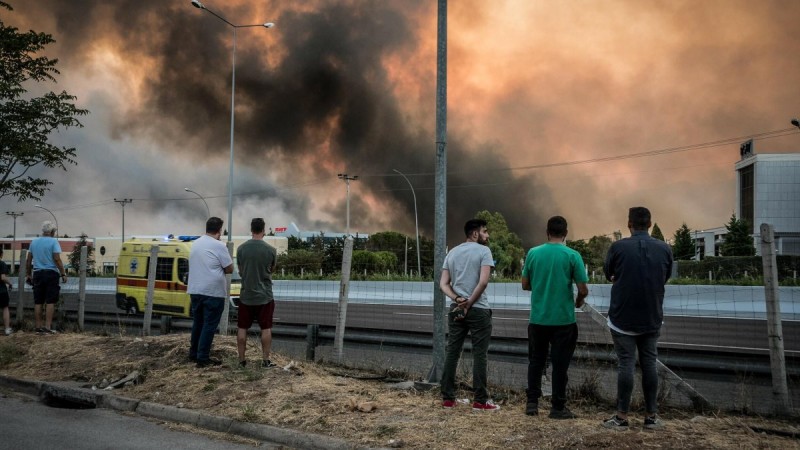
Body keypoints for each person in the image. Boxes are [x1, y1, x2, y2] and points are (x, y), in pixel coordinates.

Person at [602, 207, 673, 431]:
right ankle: (651, 417)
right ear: (650, 224)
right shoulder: (664, 248)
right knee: (649, 363)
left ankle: (621, 417)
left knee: (626, 365)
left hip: (622, 317)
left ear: (629, 224)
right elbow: (666, 276)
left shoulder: (618, 247)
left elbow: (609, 273)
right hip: (651, 316)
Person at [521, 216, 588, 419]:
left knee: (536, 361)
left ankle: (532, 403)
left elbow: (525, 284)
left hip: (538, 319)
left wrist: (541, 286)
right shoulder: (572, 255)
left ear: (547, 232)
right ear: (565, 233)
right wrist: (577, 302)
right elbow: (583, 289)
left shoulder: (533, 253)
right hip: (563, 321)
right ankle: (557, 407)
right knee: (560, 365)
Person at [439, 218, 499, 411]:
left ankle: (448, 398)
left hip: (456, 310)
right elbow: (483, 282)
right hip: (478, 309)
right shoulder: (484, 251)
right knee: (480, 354)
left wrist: (458, 300)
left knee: (452, 352)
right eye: (485, 231)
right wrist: (469, 303)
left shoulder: (453, 252)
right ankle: (480, 401)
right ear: (475, 233)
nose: (487, 235)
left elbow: (443, 284)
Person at [187, 217, 234, 368]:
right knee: (209, 325)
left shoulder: (195, 244)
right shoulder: (219, 246)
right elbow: (229, 269)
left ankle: (193, 353)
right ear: (219, 230)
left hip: (195, 290)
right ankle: (203, 358)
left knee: (198, 323)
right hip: (212, 292)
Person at [235, 218, 278, 369]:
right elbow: (271, 270)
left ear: (251, 229)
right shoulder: (271, 250)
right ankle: (265, 360)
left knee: (242, 328)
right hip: (264, 296)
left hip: (246, 295)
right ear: (264, 230)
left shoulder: (241, 249)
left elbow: (240, 271)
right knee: (266, 328)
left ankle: (241, 360)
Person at [25, 221, 68, 334]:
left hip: (37, 273)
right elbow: (57, 259)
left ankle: (38, 327)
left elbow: (29, 260)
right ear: (52, 232)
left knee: (38, 301)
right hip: (51, 273)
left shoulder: (34, 242)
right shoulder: (54, 242)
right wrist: (63, 273)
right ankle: (47, 327)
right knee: (50, 301)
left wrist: (28, 274)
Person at [1, 248, 13, 335]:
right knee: (5, 308)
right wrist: (10, 283)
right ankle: (7, 329)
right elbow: (3, 277)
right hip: (1, 290)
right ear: (1, 254)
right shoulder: (2, 264)